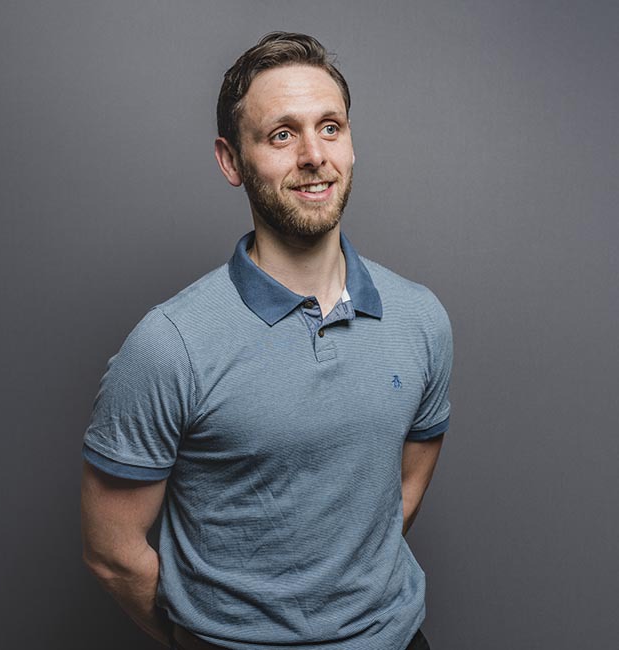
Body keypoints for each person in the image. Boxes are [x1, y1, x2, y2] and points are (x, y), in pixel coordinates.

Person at [81, 32, 452, 650]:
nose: (314, 155)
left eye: (330, 127)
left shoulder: (420, 317)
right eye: (282, 135)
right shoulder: (169, 345)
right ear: (232, 161)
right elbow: (113, 553)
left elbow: (402, 490)